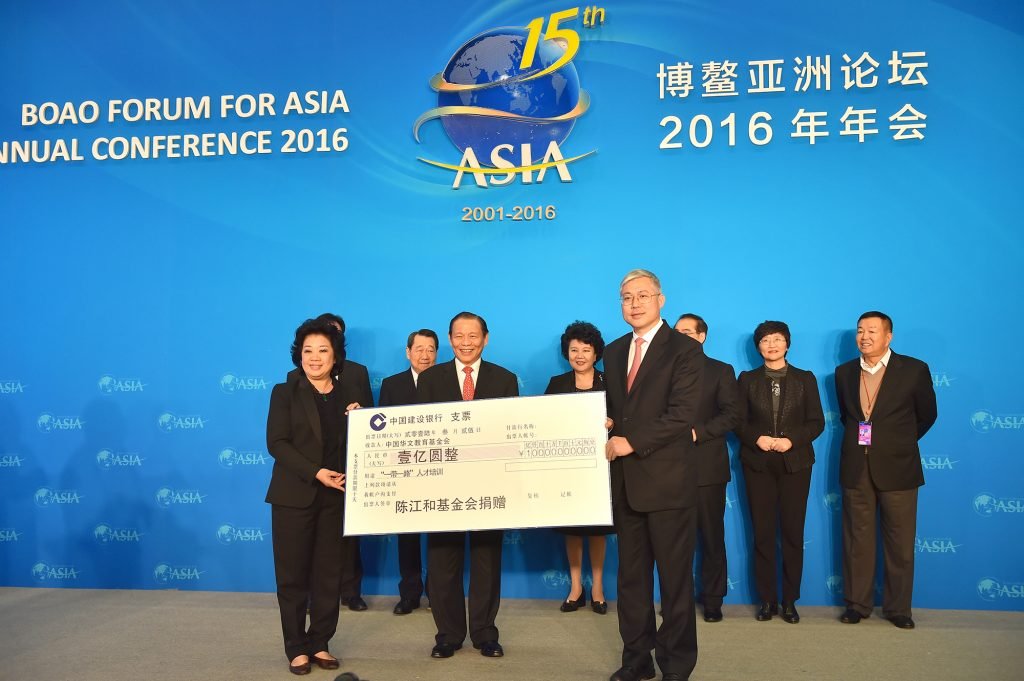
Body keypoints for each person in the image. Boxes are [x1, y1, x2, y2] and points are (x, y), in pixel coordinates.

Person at [604, 269, 703, 681]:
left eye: (643, 295)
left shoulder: (684, 350)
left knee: (675, 583)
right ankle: (636, 660)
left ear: (661, 299)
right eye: (627, 297)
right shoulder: (612, 351)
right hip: (626, 484)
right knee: (631, 582)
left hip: (668, 485)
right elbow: (619, 410)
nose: (635, 303)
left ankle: (676, 666)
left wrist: (631, 440)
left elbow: (682, 415)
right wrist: (606, 425)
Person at [417, 312, 519, 660]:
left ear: (485, 339)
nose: (465, 342)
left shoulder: (505, 380)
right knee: (443, 561)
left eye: (473, 336)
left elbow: (510, 432)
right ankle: (447, 634)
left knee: (486, 560)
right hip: (442, 487)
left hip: (489, 486)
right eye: (459, 335)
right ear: (449, 339)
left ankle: (485, 633)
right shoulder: (430, 380)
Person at [836, 311, 937, 629]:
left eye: (872, 331)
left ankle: (898, 609)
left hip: (899, 466)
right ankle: (857, 604)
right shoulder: (844, 372)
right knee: (857, 539)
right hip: (856, 467)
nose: (864, 336)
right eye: (860, 330)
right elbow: (846, 417)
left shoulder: (914, 370)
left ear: (888, 336)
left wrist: (897, 443)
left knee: (900, 541)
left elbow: (927, 415)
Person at [266, 318, 348, 675]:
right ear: (298, 354)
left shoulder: (348, 395)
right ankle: (296, 648)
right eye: (308, 350)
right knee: (293, 576)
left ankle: (320, 643)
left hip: (335, 497)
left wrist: (359, 425)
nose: (315, 358)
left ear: (335, 355)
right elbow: (277, 444)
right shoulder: (284, 391)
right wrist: (316, 472)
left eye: (323, 350)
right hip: (294, 496)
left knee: (329, 576)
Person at [736, 321, 824, 624]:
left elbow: (816, 422)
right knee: (762, 534)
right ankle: (767, 600)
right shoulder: (746, 379)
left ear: (787, 344)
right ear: (758, 346)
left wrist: (792, 440)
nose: (771, 345)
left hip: (795, 464)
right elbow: (737, 420)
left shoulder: (805, 379)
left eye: (777, 339)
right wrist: (755, 438)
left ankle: (789, 600)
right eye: (765, 340)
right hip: (757, 464)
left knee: (791, 532)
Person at [544, 321, 614, 615]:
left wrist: (613, 424)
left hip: (603, 466)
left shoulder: (610, 381)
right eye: (574, 350)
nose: (580, 355)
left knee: (598, 529)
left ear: (596, 353)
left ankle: (597, 587)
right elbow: (544, 422)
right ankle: (576, 588)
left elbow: (626, 418)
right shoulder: (556, 384)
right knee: (573, 529)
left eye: (586, 349)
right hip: (569, 469)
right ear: (567, 353)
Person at [673, 314, 739, 623]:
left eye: (687, 332)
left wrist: (698, 432)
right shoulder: (662, 370)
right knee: (674, 540)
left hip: (707, 467)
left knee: (712, 536)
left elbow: (731, 415)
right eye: (676, 332)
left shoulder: (720, 370)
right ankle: (678, 600)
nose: (680, 336)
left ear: (702, 337)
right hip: (668, 469)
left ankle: (713, 599)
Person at [378, 328, 439, 615]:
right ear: (408, 352)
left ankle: (438, 593)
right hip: (404, 469)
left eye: (430, 349)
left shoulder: (448, 382)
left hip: (442, 467)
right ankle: (410, 593)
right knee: (408, 537)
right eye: (419, 349)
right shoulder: (392, 385)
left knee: (441, 537)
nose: (424, 355)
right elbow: (382, 430)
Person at [314, 312, 372, 612]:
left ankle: (351, 591)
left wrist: (359, 413)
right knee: (314, 536)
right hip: (314, 466)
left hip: (352, 462)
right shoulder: (299, 375)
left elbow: (373, 418)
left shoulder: (358, 373)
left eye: (335, 333)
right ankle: (315, 595)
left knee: (350, 532)